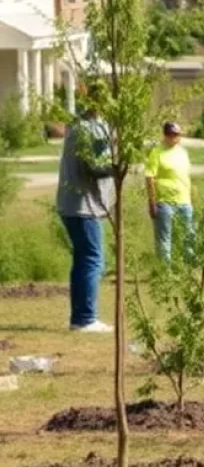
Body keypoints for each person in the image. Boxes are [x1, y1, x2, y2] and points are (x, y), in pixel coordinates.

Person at [56, 90, 115, 333]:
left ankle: (79, 317)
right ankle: (85, 319)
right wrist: (119, 165)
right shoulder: (89, 129)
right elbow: (96, 166)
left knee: (83, 260)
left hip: (73, 205)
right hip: (84, 206)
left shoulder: (79, 125)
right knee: (93, 260)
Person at [145, 121, 193, 262]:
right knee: (164, 239)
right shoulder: (157, 152)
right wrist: (152, 201)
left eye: (177, 135)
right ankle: (165, 272)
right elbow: (150, 177)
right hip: (164, 202)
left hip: (184, 201)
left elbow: (186, 175)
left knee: (189, 236)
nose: (174, 138)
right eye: (171, 135)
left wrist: (191, 195)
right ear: (165, 135)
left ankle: (188, 267)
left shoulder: (183, 153)